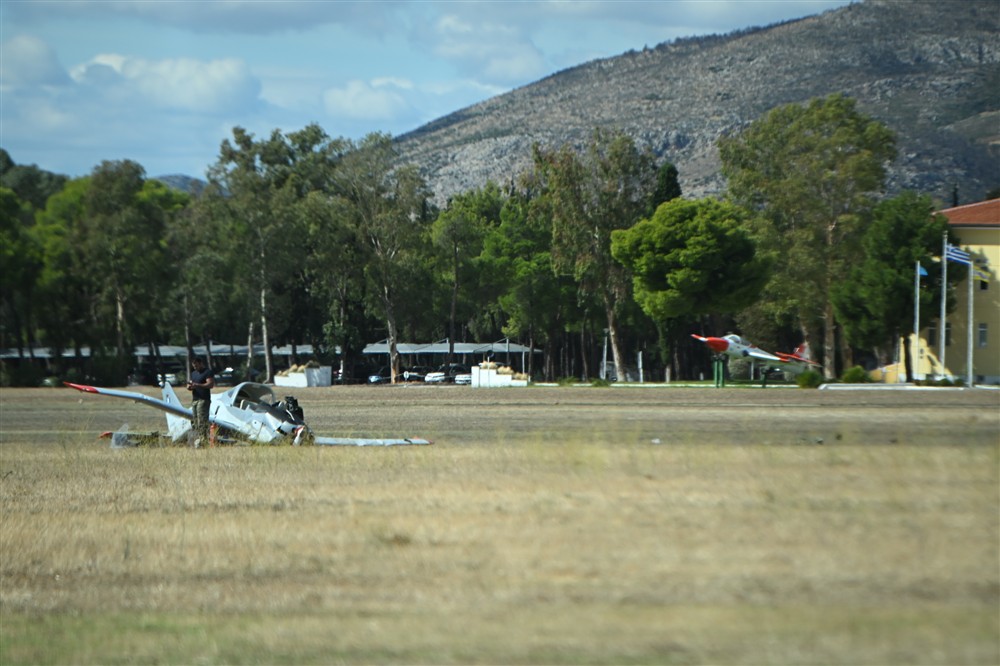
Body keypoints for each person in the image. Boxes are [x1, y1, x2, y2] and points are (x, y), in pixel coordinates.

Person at [186, 357, 215, 447]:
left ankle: (203, 440)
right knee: (195, 421)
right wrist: (189, 387)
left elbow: (210, 384)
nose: (195, 368)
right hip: (195, 399)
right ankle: (198, 438)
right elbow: (190, 384)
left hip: (203, 399)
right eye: (194, 366)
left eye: (197, 366)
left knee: (202, 420)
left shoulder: (207, 372)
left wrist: (198, 385)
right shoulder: (194, 373)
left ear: (201, 363)